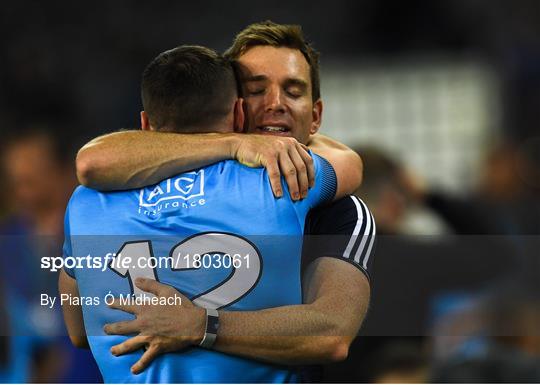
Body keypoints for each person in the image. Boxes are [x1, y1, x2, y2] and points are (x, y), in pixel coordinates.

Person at [60, 43, 374, 383]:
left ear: (145, 124)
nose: (274, 105)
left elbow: (78, 330)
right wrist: (236, 144)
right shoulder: (284, 183)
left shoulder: (86, 203)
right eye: (256, 90)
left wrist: (197, 323)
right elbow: (349, 162)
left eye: (291, 91)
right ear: (239, 113)